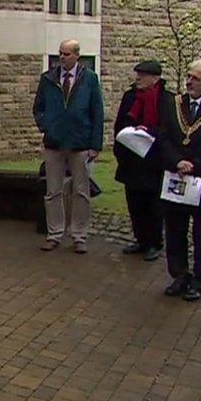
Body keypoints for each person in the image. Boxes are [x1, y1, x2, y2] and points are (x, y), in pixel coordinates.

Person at [157, 59, 201, 301]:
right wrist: (177, 161)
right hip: (176, 174)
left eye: (195, 78)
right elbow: (164, 136)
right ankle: (179, 274)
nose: (189, 81)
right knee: (175, 228)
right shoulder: (173, 104)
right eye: (188, 76)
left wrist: (195, 164)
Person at [33, 39, 104, 253]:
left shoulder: (90, 79)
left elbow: (97, 112)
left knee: (81, 192)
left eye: (66, 54)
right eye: (60, 53)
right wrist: (48, 126)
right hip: (54, 143)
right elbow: (38, 108)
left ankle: (79, 235)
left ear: (76, 56)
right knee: (53, 191)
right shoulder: (48, 79)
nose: (62, 57)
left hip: (80, 143)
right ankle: (54, 233)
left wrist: (95, 144)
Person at [113, 60, 173, 262]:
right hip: (132, 158)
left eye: (143, 75)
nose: (138, 78)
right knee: (135, 203)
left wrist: (150, 131)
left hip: (154, 161)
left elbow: (169, 129)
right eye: (137, 74)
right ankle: (140, 239)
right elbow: (120, 123)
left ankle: (154, 243)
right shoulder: (130, 97)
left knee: (154, 206)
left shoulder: (167, 99)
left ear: (155, 78)